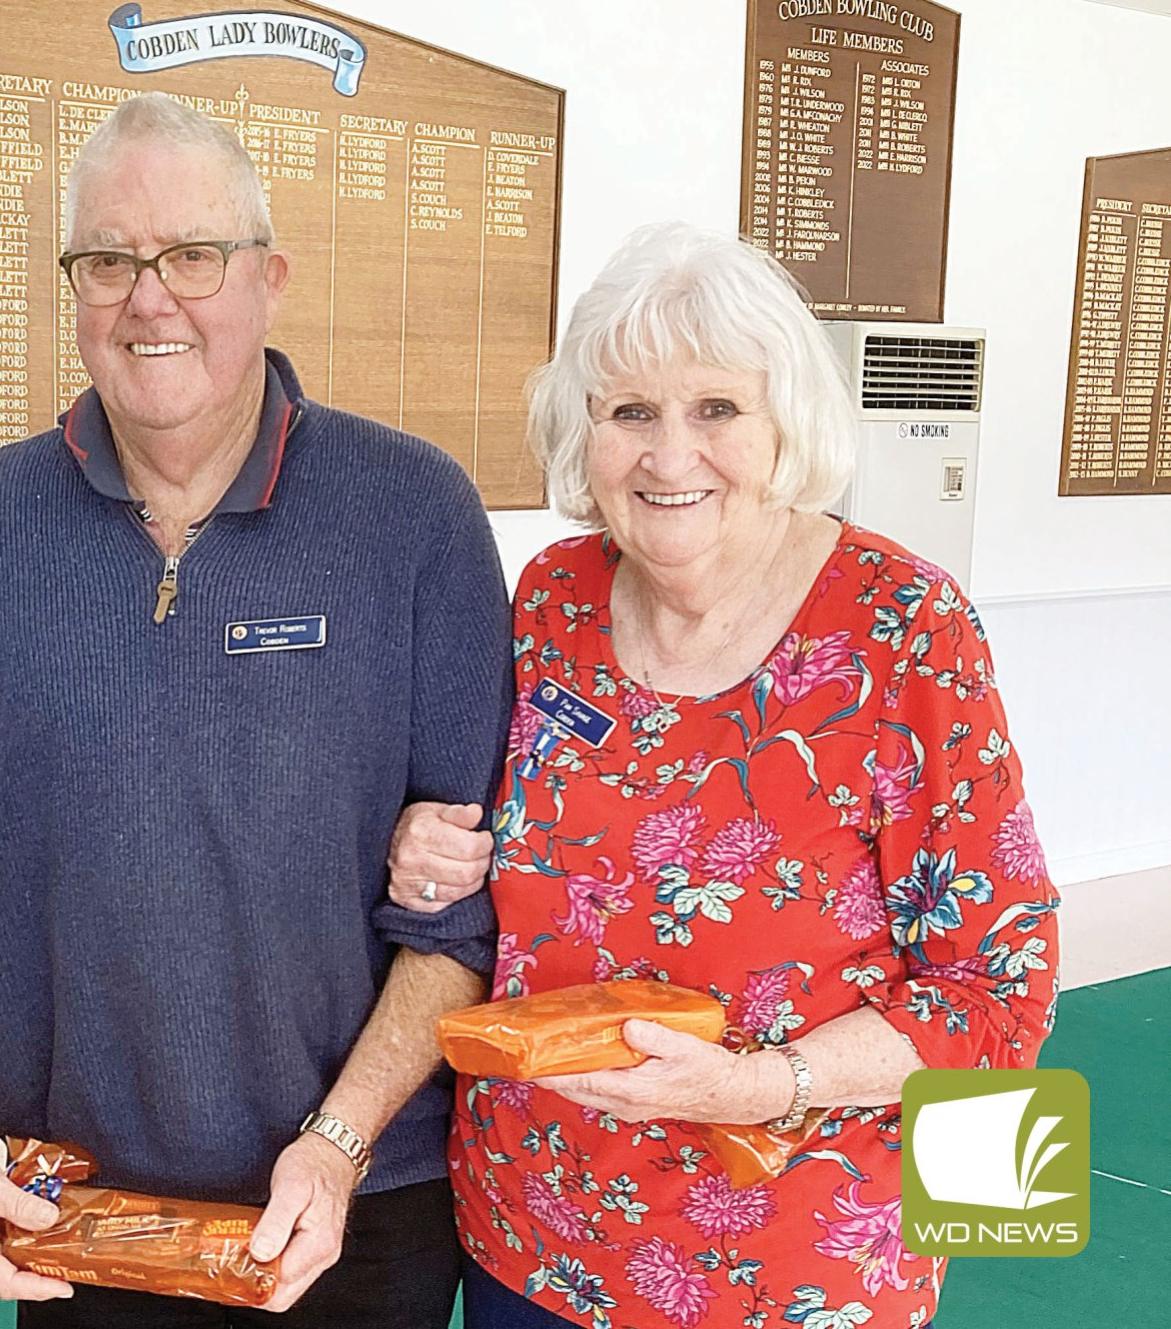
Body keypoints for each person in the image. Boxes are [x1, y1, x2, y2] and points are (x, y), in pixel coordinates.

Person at [0, 92, 510, 1328]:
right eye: (107, 261)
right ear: (74, 288)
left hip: (359, 1203)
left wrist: (337, 1140)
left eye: (192, 257)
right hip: (80, 1215)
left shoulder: (416, 519)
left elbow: (460, 914)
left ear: (268, 277)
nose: (150, 299)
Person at [386, 223, 1062, 1329]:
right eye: (629, 412)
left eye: (715, 409)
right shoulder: (551, 599)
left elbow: (997, 995)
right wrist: (422, 852)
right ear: (581, 430)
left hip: (798, 1259)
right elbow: (482, 856)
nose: (667, 455)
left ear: (783, 420)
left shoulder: (902, 627)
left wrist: (755, 1084)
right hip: (533, 1232)